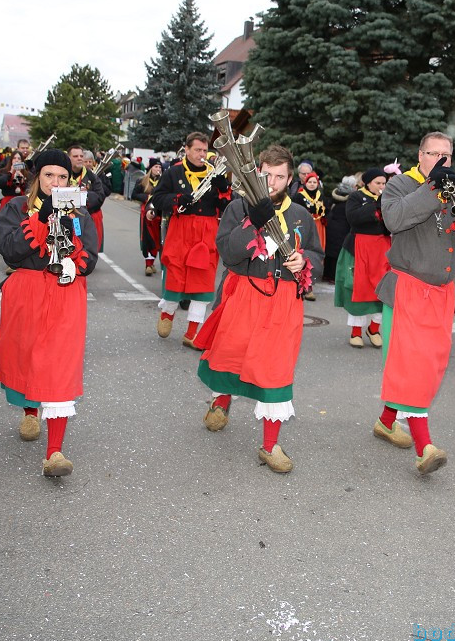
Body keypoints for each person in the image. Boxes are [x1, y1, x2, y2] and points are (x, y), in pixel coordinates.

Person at [194, 145, 322, 473]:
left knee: (275, 369)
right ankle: (221, 399)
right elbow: (229, 253)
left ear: (291, 179)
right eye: (267, 175)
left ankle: (269, 445)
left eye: (280, 177)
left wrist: (304, 261)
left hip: (284, 300)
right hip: (244, 294)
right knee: (232, 353)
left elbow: (319, 259)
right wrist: (252, 220)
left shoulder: (301, 215)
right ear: (258, 173)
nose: (273, 182)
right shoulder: (239, 208)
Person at [373, 132, 455, 474]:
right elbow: (394, 220)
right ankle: (425, 445)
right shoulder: (400, 185)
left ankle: (385, 420)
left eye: (446, 155)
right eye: (433, 153)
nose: (440, 160)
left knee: (429, 364)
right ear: (420, 155)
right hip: (409, 287)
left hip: (441, 293)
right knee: (415, 366)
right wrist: (430, 189)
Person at [0, 150, 98, 477]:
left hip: (65, 295)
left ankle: (54, 452)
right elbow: (10, 250)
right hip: (26, 293)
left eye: (63, 177)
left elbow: (91, 259)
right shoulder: (16, 207)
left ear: (71, 180)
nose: (56, 182)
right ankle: (29, 411)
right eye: (50, 176)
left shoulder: (80, 213)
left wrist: (73, 262)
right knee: (25, 356)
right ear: (37, 178)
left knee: (58, 366)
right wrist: (41, 218)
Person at [149, 132, 230, 348]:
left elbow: (227, 206)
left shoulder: (213, 174)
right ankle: (167, 313)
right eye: (197, 150)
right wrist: (177, 199)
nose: (202, 154)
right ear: (186, 149)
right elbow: (157, 198)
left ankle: (192, 332)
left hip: (206, 231)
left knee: (202, 280)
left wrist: (224, 189)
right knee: (175, 274)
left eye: (205, 150)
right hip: (181, 229)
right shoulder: (174, 172)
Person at [334, 167, 391, 348]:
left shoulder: (388, 198)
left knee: (381, 289)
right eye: (378, 183)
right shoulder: (356, 197)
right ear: (367, 183)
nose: (382, 186)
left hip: (382, 248)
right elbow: (353, 218)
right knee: (358, 287)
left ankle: (374, 329)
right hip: (359, 247)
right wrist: (376, 207)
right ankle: (356, 332)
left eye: (384, 183)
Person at [294, 171, 330, 301]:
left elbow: (327, 211)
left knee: (316, 254)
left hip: (319, 228)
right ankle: (300, 283)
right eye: (310, 182)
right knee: (304, 252)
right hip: (304, 228)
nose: (312, 184)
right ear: (305, 182)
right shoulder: (298, 197)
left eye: (315, 182)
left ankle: (309, 284)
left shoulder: (321, 197)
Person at [67, 145, 109, 251]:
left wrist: (84, 195)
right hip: (66, 216)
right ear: (69, 158)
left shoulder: (91, 176)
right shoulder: (63, 174)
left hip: (83, 216)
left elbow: (100, 195)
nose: (80, 158)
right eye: (75, 156)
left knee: (83, 243)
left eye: (81, 156)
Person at [323, 175, 357, 283]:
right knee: (336, 254)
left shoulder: (336, 193)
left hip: (332, 225)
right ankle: (333, 276)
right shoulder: (352, 197)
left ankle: (326, 274)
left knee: (329, 253)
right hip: (343, 227)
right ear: (353, 186)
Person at [133, 160, 164, 276]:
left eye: (160, 167)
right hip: (146, 213)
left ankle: (154, 263)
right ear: (151, 168)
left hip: (159, 214)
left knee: (158, 238)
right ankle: (148, 263)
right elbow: (134, 195)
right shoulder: (142, 181)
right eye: (156, 167)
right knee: (148, 237)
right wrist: (147, 197)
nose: (158, 169)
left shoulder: (162, 181)